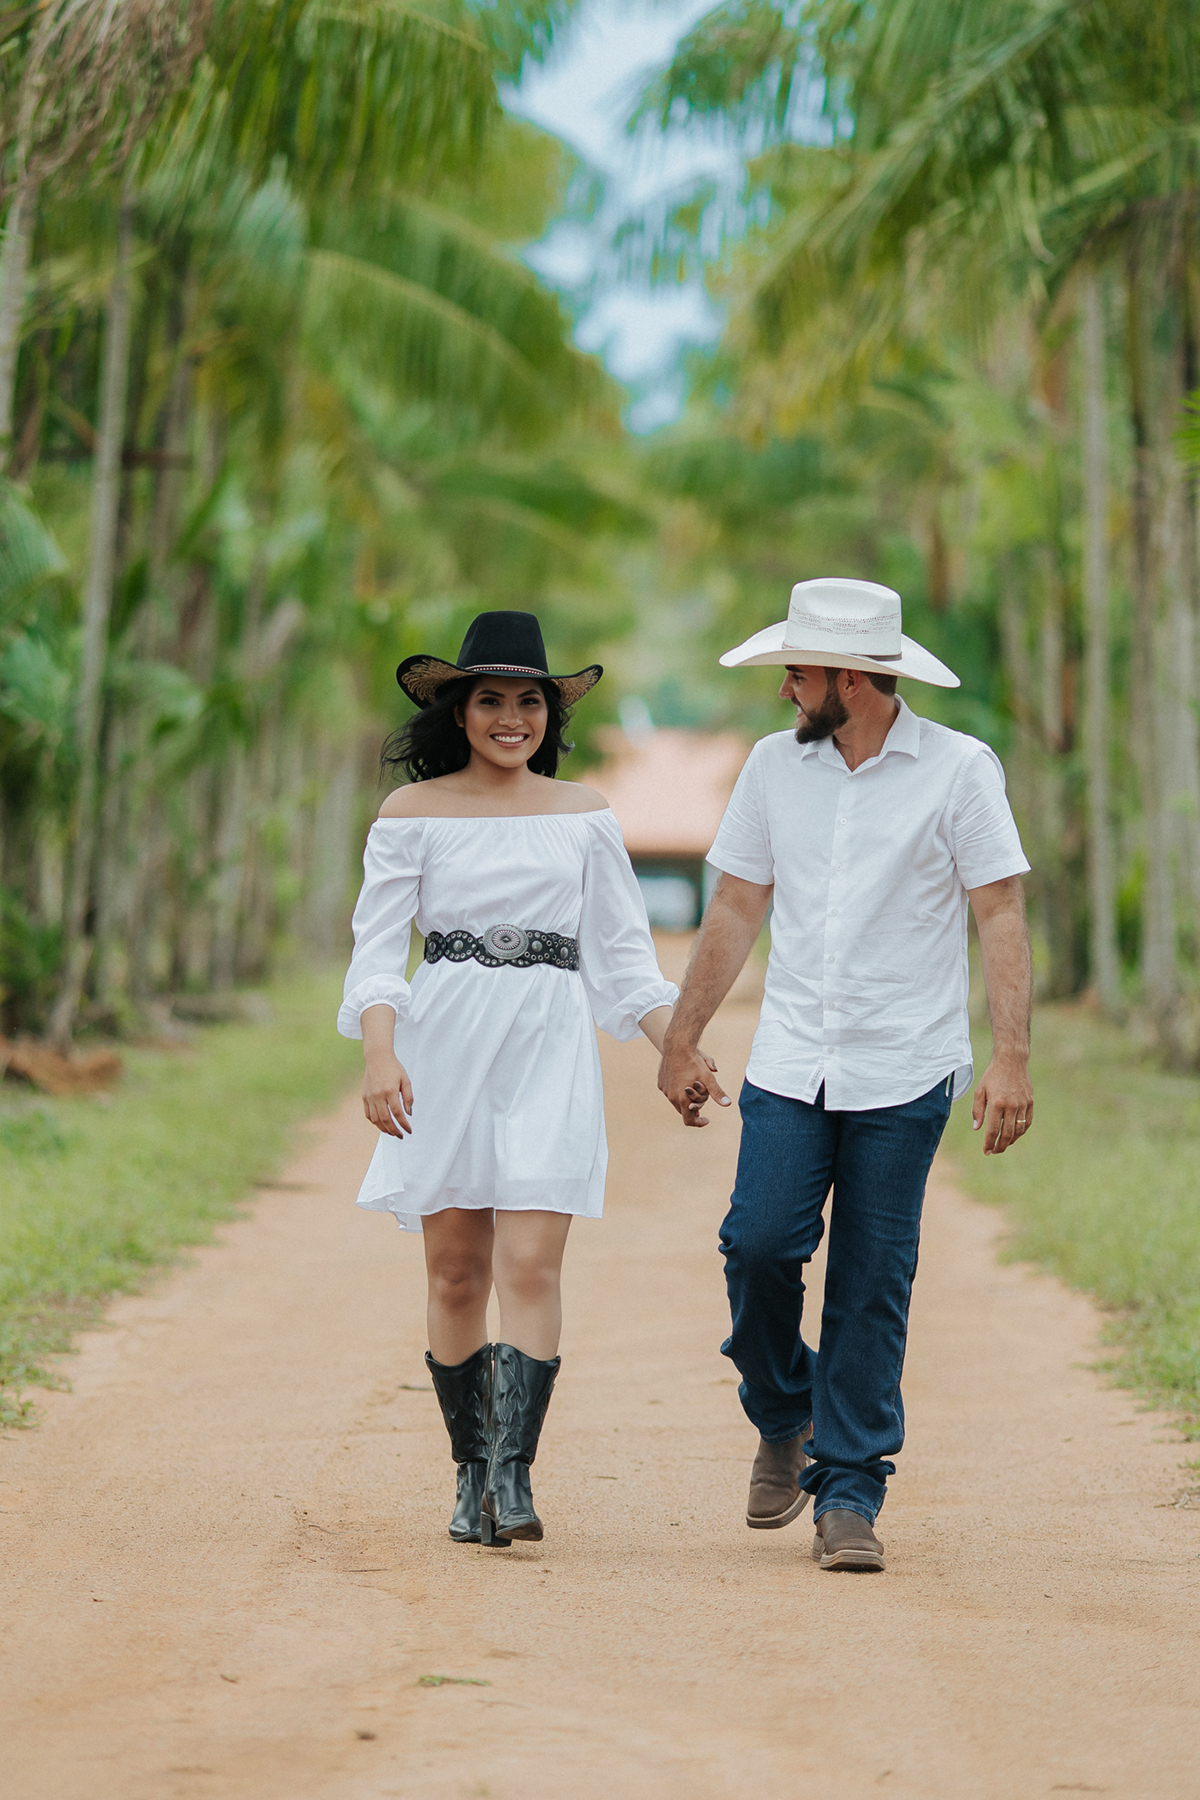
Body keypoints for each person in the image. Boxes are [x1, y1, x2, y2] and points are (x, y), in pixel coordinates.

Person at [658, 577, 1032, 1573]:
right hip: (792, 1057)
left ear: (855, 679)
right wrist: (681, 1039)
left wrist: (1013, 1055)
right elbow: (737, 906)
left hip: (906, 1063)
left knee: (873, 1279)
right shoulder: (772, 770)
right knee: (758, 1245)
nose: (785, 690)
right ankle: (786, 1410)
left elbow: (997, 908)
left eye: (799, 671)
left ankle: (850, 1491)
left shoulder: (958, 771)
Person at [338, 610, 678, 1547]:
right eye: (490, 700)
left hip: (547, 1044)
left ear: (548, 717)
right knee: (455, 1275)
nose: (510, 718)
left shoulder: (585, 816)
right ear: (459, 712)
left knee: (530, 1262)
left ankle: (513, 1475)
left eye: (529, 701)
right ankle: (466, 1476)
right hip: (442, 1043)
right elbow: (376, 953)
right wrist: (380, 1050)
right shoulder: (411, 814)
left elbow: (623, 960)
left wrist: (675, 1048)